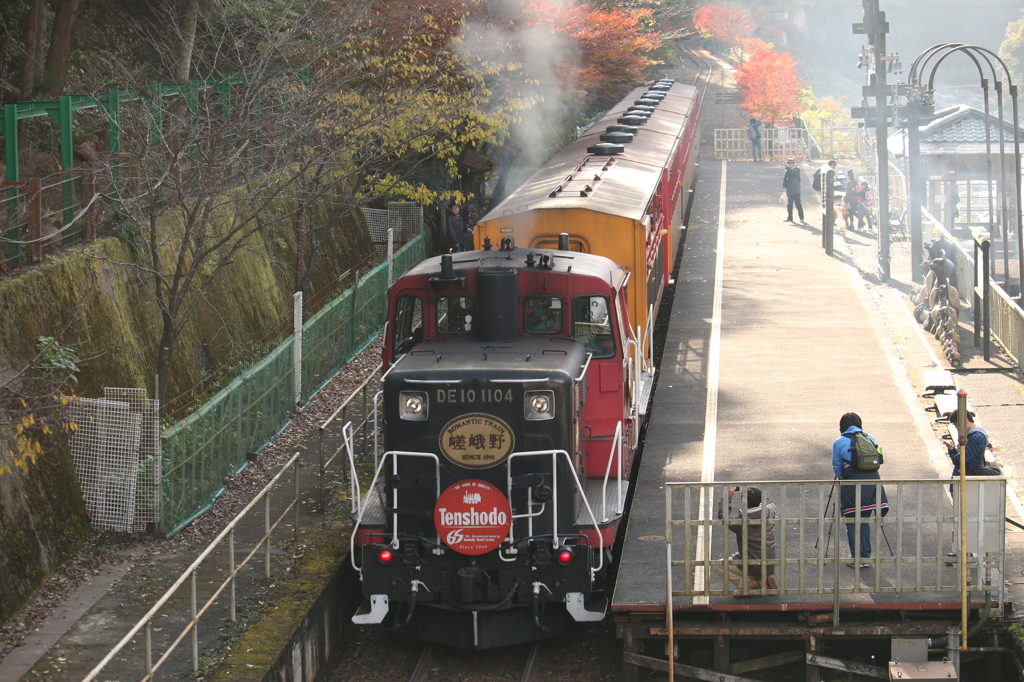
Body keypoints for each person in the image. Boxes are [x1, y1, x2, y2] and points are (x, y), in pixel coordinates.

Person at [831, 412, 888, 567]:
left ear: (842, 426)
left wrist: (841, 475)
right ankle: (866, 556)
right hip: (872, 483)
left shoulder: (839, 442)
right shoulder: (871, 438)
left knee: (851, 522)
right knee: (864, 520)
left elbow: (837, 468)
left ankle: (856, 557)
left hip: (851, 485)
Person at [716, 486, 778, 592]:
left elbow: (723, 516)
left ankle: (748, 584)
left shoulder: (740, 521)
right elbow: (768, 501)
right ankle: (766, 580)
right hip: (769, 564)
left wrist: (728, 497)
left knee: (719, 566)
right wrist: (757, 492)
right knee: (740, 556)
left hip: (752, 565)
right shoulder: (770, 510)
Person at [946, 408, 1000, 477]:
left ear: (965, 420)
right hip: (967, 475)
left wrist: (953, 453)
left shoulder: (976, 437)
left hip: (968, 476)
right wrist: (952, 450)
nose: (957, 429)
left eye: (957, 425)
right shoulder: (974, 435)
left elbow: (960, 459)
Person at [782, 158, 804, 223]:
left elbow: (792, 172)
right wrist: (784, 186)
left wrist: (786, 166)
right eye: (788, 164)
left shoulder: (797, 169)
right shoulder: (787, 170)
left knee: (798, 204)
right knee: (789, 205)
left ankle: (801, 218)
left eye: (790, 164)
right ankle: (790, 218)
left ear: (793, 164)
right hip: (789, 189)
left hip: (796, 190)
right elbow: (785, 179)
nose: (789, 165)